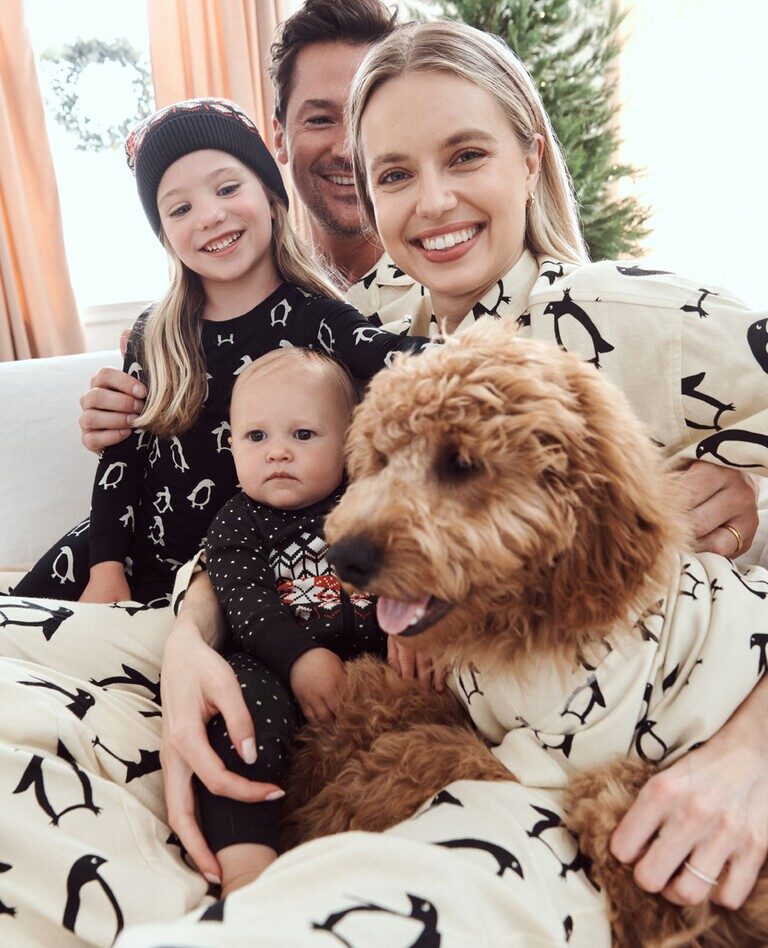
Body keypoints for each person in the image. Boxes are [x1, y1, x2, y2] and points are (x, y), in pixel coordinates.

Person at [157, 18, 768, 922]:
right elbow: (275, 494)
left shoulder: (637, 316)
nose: (433, 202)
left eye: (466, 155)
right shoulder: (359, 322)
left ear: (528, 158)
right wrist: (185, 640)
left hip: (617, 734)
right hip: (420, 690)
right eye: (395, 174)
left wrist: (752, 749)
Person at [14, 97, 427, 605]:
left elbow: (398, 358)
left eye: (228, 188)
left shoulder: (316, 318)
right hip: (119, 558)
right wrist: (104, 570)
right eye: (181, 208)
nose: (210, 215)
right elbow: (121, 463)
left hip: (239, 576)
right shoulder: (155, 334)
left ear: (270, 196)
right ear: (166, 235)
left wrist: (501, 351)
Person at [78, 0, 423, 460]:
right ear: (279, 138)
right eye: (320, 118)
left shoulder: (449, 286)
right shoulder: (178, 328)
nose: (347, 147)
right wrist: (122, 416)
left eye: (366, 116)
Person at [200, 347, 404, 896]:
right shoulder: (239, 520)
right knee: (238, 717)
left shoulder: (368, 501)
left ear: (350, 442)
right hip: (276, 664)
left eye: (304, 435)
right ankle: (245, 861)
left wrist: (415, 626)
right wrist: (298, 659)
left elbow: (412, 562)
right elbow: (244, 603)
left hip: (379, 665)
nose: (278, 454)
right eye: (256, 437)